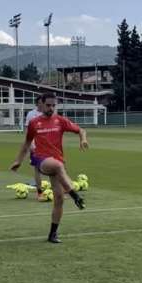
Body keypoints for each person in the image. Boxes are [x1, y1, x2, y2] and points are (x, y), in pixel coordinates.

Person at [10, 92, 88, 243]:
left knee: (59, 199)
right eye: (48, 105)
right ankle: (75, 196)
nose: (51, 108)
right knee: (58, 165)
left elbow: (81, 130)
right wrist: (18, 161)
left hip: (57, 162)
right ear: (41, 105)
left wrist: (83, 139)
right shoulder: (34, 123)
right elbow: (26, 143)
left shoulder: (60, 121)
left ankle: (53, 234)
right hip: (42, 160)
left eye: (53, 105)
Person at [25, 103, 46, 201]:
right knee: (37, 169)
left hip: (49, 147)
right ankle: (39, 192)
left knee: (55, 169)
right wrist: (31, 144)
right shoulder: (31, 114)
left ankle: (58, 192)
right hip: (36, 147)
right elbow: (28, 131)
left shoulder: (49, 114)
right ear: (38, 103)